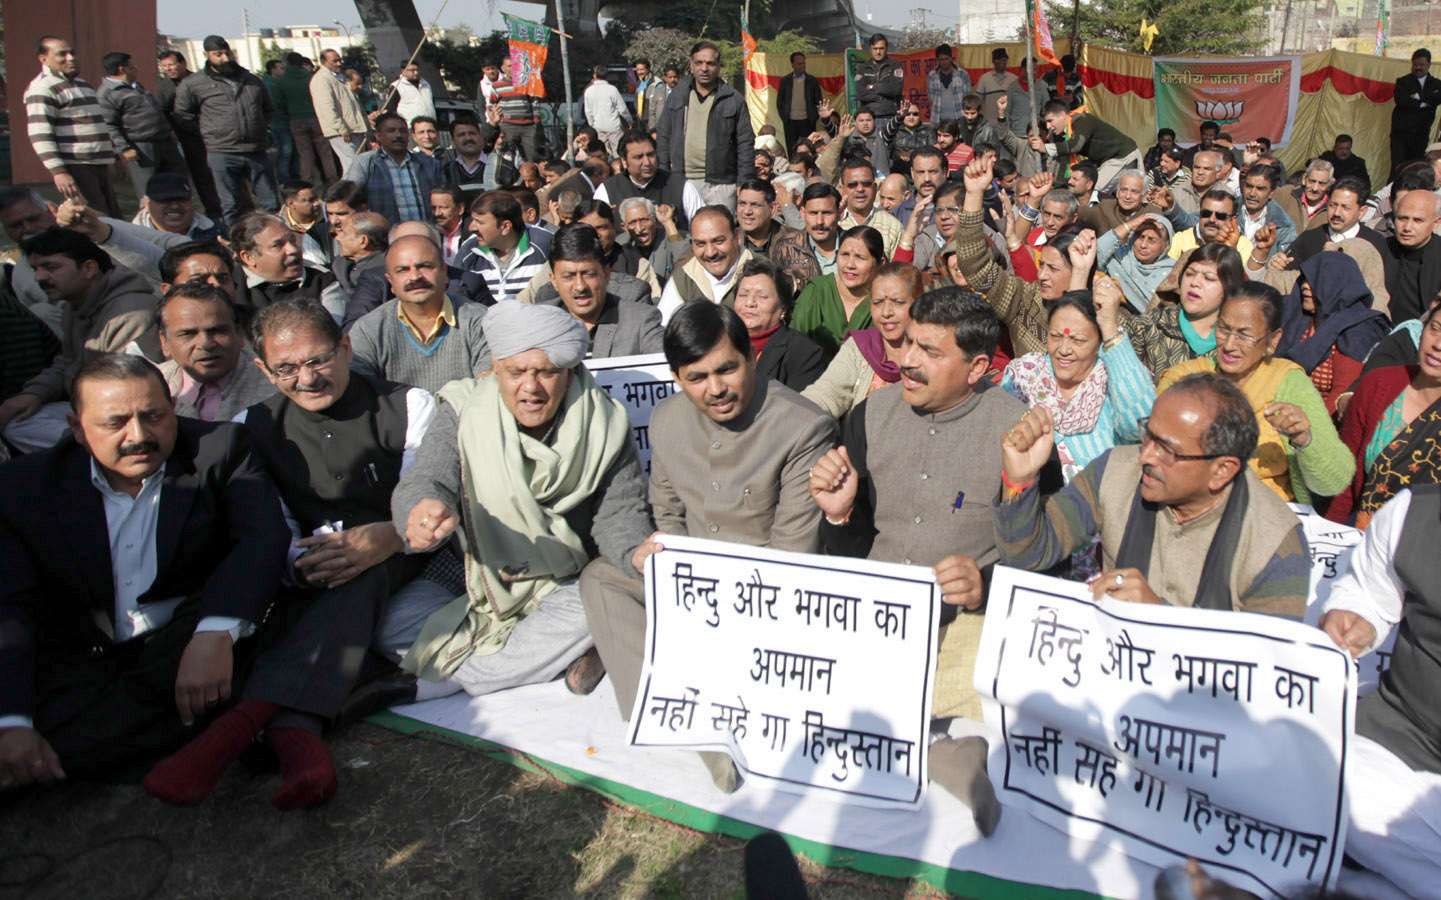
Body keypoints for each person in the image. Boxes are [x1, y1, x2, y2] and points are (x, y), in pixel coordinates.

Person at [0, 355, 291, 791]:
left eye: (153, 416)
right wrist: (12, 720)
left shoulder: (220, 448)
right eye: (115, 423)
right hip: (78, 657)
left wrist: (216, 632)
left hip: (180, 646)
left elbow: (262, 539)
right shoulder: (26, 486)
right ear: (76, 429)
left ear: (172, 406)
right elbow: (10, 604)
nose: (138, 436)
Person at [579, 299, 835, 790]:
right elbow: (669, 514)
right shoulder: (667, 418)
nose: (715, 389)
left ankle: (705, 689)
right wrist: (666, 567)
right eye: (696, 377)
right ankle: (667, 716)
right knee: (600, 578)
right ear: (677, 377)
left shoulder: (803, 426)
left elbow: (792, 555)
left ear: (751, 359)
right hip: (695, 586)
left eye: (726, 370)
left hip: (766, 601)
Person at [806, 286, 1029, 828]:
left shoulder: (1015, 429)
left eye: (930, 352)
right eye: (908, 344)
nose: (907, 360)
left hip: (964, 622)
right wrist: (839, 516)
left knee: (995, 706)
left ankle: (952, 750)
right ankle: (935, 753)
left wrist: (986, 583)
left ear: (977, 366)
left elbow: (1036, 554)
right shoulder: (868, 415)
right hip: (875, 615)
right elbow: (853, 547)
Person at [378, 301, 651, 710]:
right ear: (494, 368)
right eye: (517, 372)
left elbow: (620, 513)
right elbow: (427, 477)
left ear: (570, 370)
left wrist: (635, 553)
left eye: (546, 372)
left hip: (564, 577)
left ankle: (435, 681)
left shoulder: (604, 424)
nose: (531, 387)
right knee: (390, 624)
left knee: (593, 607)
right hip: (473, 573)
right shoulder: (463, 410)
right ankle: (551, 660)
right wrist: (422, 507)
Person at [229, 299, 433, 786]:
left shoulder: (408, 405)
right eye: (286, 368)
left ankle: (255, 720)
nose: (307, 378)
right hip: (310, 576)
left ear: (344, 346)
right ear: (262, 368)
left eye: (318, 360)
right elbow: (268, 528)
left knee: (363, 570)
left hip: (407, 561)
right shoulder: (249, 427)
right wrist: (303, 560)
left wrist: (388, 536)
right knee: (344, 574)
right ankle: (296, 723)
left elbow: (422, 503)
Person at [995, 372, 1310, 618]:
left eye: (1168, 450)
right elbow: (1028, 556)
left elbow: (1263, 675)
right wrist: (1020, 482)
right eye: (1148, 434)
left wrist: (1160, 621)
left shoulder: (1276, 541)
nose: (1145, 455)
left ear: (1222, 471)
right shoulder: (1114, 471)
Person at [1318, 486, 1441, 900]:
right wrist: (1357, 617)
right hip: (1404, 736)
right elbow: (1372, 593)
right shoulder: (1413, 512)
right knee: (1323, 777)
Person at [1156, 283, 1353, 506]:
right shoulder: (1185, 379)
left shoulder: (1288, 381)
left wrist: (1304, 440)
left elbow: (1335, 482)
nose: (1229, 345)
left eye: (1245, 335)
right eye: (1223, 329)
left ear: (1273, 341)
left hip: (1269, 517)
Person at [0, 228, 159, 453]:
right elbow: (67, 362)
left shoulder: (131, 315)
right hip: (87, 407)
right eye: (36, 269)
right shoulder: (75, 306)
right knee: (18, 421)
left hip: (125, 417)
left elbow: (124, 394)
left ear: (89, 268)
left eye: (50, 267)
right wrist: (33, 393)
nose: (39, 278)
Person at [1002, 286, 1155, 486]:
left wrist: (1110, 329)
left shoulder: (1114, 377)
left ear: (1099, 342)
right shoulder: (1024, 376)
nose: (1063, 349)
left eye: (1078, 340)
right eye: (1055, 336)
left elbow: (1142, 427)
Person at [1328, 315, 1441, 528]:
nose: (1437, 344)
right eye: (1434, 329)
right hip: (1363, 537)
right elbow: (1344, 478)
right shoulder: (1378, 385)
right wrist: (1332, 537)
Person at [347, 236, 491, 394]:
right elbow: (359, 394)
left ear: (444, 272)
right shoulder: (369, 329)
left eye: (425, 267)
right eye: (402, 270)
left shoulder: (480, 321)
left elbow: (487, 391)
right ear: (391, 282)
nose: (415, 277)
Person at [174, 36, 278, 225]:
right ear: (206, 55)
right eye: (218, 54)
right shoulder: (194, 84)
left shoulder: (251, 80)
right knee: (232, 205)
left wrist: (259, 128)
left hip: (255, 150)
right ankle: (236, 243)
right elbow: (182, 115)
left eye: (227, 52)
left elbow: (268, 109)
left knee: (270, 202)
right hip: (222, 152)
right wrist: (209, 132)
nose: (225, 58)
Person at [802, 260, 921, 419]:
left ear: (919, 303)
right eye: (878, 302)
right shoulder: (861, 348)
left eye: (898, 302)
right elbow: (825, 395)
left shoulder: (933, 355)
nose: (886, 312)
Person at [1275, 253, 1391, 416]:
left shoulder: (1357, 331)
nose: (1306, 286)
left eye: (1316, 280)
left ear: (1337, 285)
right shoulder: (1294, 315)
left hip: (1320, 422)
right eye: (1305, 278)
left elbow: (1341, 395)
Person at [537, 224, 665, 359]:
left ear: (607, 274)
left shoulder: (641, 322)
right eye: (569, 277)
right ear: (554, 281)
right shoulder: (537, 324)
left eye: (589, 274)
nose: (580, 286)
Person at [655, 41, 756, 208]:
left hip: (720, 184)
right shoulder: (678, 95)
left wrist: (743, 181)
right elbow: (664, 136)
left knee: (721, 231)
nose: (704, 68)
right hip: (682, 180)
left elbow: (745, 143)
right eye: (699, 63)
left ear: (718, 66)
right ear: (691, 65)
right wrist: (663, 173)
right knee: (685, 232)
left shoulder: (733, 99)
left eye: (710, 63)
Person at [25, 36, 118, 216]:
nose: (71, 58)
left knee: (112, 218)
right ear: (43, 58)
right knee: (97, 220)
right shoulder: (42, 88)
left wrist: (115, 156)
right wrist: (59, 172)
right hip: (76, 165)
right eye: (62, 54)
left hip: (98, 164)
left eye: (72, 53)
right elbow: (40, 134)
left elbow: (96, 124)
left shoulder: (83, 85)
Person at [1123, 242, 1247, 378]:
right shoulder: (1146, 326)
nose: (1195, 282)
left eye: (1209, 278)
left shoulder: (1240, 342)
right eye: (1190, 274)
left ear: (1228, 289)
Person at [155, 283, 276, 421]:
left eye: (217, 331)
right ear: (164, 342)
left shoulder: (275, 386)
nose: (206, 344)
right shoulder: (148, 388)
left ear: (238, 334)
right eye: (188, 334)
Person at [228, 213, 347, 330]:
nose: (293, 249)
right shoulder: (229, 284)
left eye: (292, 240)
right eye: (277, 245)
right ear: (249, 257)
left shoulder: (321, 279)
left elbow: (332, 333)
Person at [97, 51, 185, 202]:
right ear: (122, 69)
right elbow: (109, 125)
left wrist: (169, 131)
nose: (136, 68)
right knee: (150, 191)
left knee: (177, 185)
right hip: (142, 148)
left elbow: (154, 110)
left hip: (165, 143)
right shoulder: (107, 93)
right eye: (132, 66)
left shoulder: (136, 86)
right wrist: (124, 149)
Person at [791, 225, 884, 360]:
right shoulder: (817, 291)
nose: (850, 265)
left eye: (860, 257)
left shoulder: (883, 302)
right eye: (844, 255)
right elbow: (794, 345)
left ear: (880, 263)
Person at [731, 257, 825, 391]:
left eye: (762, 296)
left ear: (783, 309)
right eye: (743, 295)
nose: (750, 303)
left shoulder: (804, 352)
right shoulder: (720, 343)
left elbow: (801, 407)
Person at [341, 113, 444, 228]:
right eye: (391, 130)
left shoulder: (428, 163)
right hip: (386, 236)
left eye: (403, 131)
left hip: (426, 233)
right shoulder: (365, 162)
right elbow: (348, 198)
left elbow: (445, 198)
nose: (398, 135)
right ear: (378, 135)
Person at [155, 51, 224, 220]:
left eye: (171, 65)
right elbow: (161, 112)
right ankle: (211, 211)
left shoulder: (201, 80)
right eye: (164, 66)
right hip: (185, 138)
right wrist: (171, 131)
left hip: (211, 134)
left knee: (216, 173)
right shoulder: (164, 87)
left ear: (183, 63)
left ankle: (224, 208)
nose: (168, 69)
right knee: (198, 176)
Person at [658, 206, 755, 323]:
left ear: (737, 237)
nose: (710, 252)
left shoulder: (763, 272)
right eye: (700, 244)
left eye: (718, 241)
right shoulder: (683, 279)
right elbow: (662, 330)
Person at [593, 130, 703, 231]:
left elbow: (703, 228)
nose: (647, 162)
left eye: (651, 155)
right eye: (638, 157)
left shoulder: (680, 186)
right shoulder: (608, 190)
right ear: (624, 161)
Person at [1283, 176, 1392, 275]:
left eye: (1346, 207)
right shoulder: (1309, 238)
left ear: (1362, 212)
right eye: (1333, 205)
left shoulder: (1375, 244)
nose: (1336, 213)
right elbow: (1288, 275)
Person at [455, 190, 549, 304]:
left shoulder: (545, 245)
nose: (471, 227)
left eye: (479, 222)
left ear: (505, 227)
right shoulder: (468, 252)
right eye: (472, 219)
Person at [1030, 101, 1142, 193]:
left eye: (1050, 121)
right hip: (1109, 162)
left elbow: (1075, 145)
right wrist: (1058, 189)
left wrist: (1045, 148)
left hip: (1123, 157)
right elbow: (1064, 160)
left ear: (1063, 115)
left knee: (1092, 192)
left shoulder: (1082, 120)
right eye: (1046, 122)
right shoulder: (1065, 133)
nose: (1048, 126)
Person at [273, 53, 335, 186]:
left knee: (305, 154)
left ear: (287, 63)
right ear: (302, 63)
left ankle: (307, 183)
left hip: (296, 119)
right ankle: (333, 181)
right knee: (325, 152)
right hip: (316, 118)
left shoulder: (282, 81)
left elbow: (278, 104)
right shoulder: (311, 78)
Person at [1096, 213, 1175, 313]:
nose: (1143, 245)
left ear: (1166, 246)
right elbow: (1095, 254)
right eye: (1140, 237)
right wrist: (1128, 226)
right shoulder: (1118, 257)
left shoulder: (1172, 272)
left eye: (1152, 240)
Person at [770, 182, 842, 291]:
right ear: (803, 213)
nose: (819, 221)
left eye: (827, 213)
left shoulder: (855, 245)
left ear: (839, 214)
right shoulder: (786, 248)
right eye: (813, 213)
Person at [1385, 188, 1441, 324]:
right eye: (1402, 218)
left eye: (1418, 220)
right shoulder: (1381, 248)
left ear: (1436, 223)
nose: (1407, 227)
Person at [311, 50, 369, 172]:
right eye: (334, 61)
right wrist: (340, 127)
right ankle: (352, 190)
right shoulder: (321, 79)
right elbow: (326, 107)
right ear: (324, 62)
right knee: (352, 166)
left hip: (354, 128)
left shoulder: (339, 78)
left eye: (339, 60)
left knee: (358, 165)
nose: (338, 63)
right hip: (341, 131)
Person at [838, 158, 904, 258]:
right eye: (852, 185)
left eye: (866, 184)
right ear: (842, 189)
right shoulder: (833, 223)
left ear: (875, 187)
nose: (860, 189)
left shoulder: (893, 226)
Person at [1391, 49, 1441, 177]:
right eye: (1415, 64)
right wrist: (1425, 102)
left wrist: (1417, 96)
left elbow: (1437, 99)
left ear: (1429, 65)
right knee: (1398, 169)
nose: (1418, 68)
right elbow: (1402, 101)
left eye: (1421, 65)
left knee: (1416, 170)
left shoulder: (1436, 83)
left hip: (1421, 134)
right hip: (1400, 135)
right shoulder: (1402, 82)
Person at [132, 173, 223, 240]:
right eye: (165, 200)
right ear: (147, 203)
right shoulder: (130, 239)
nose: (175, 206)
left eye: (181, 199)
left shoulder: (219, 234)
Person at [487, 59, 540, 162]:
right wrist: (495, 121)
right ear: (502, 68)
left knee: (532, 158)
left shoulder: (527, 83)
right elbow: (491, 105)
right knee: (508, 157)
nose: (512, 69)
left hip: (528, 127)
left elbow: (535, 103)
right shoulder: (497, 85)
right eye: (509, 66)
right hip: (508, 126)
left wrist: (536, 122)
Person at [331, 211, 390, 301]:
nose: (337, 238)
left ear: (363, 241)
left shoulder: (384, 271)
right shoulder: (339, 263)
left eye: (344, 233)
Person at [778, 52, 822, 155]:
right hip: (790, 121)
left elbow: (818, 101)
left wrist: (813, 117)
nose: (802, 66)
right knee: (792, 148)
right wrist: (785, 117)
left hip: (807, 121)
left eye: (803, 63)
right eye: (799, 64)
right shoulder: (785, 81)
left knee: (808, 147)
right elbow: (780, 101)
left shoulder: (812, 80)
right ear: (792, 65)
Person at [280, 180, 330, 268]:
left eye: (316, 198)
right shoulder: (279, 229)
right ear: (291, 203)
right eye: (310, 200)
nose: (317, 203)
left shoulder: (330, 216)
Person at [582, 67, 631, 158]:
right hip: (614, 127)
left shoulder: (589, 91)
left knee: (603, 155)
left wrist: (593, 125)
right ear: (607, 76)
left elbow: (588, 112)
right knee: (618, 154)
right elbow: (622, 109)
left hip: (599, 128)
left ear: (594, 75)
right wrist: (630, 121)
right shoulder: (612, 90)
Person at [442, 117, 489, 196]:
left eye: (472, 133)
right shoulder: (447, 172)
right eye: (461, 135)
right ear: (453, 142)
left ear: (481, 138)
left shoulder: (501, 166)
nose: (468, 138)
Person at [926, 44, 972, 124]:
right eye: (941, 59)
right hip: (938, 119)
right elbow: (931, 97)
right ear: (938, 60)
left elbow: (967, 97)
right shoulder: (932, 75)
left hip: (959, 117)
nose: (944, 62)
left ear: (951, 58)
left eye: (946, 59)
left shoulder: (962, 74)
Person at [974, 48, 1018, 130]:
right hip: (989, 125)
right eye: (1002, 60)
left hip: (1009, 125)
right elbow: (976, 102)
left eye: (1006, 60)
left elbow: (1018, 102)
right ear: (995, 61)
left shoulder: (1014, 79)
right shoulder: (984, 79)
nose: (1005, 63)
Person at [387, 61, 435, 126]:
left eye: (417, 70)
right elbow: (391, 109)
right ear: (403, 71)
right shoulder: (397, 86)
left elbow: (432, 103)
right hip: (409, 126)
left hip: (429, 124)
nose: (416, 72)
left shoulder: (426, 84)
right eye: (412, 70)